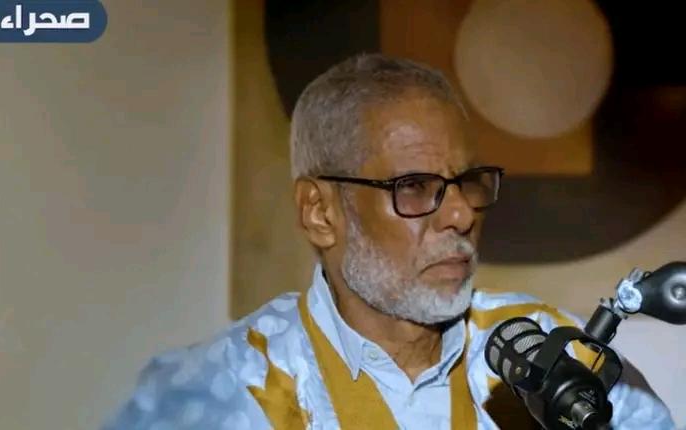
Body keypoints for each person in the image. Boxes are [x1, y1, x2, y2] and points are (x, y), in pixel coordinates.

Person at [104, 54, 675, 429]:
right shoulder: (218, 392)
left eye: (467, 182)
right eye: (415, 186)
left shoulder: (547, 353)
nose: (461, 213)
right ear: (320, 212)